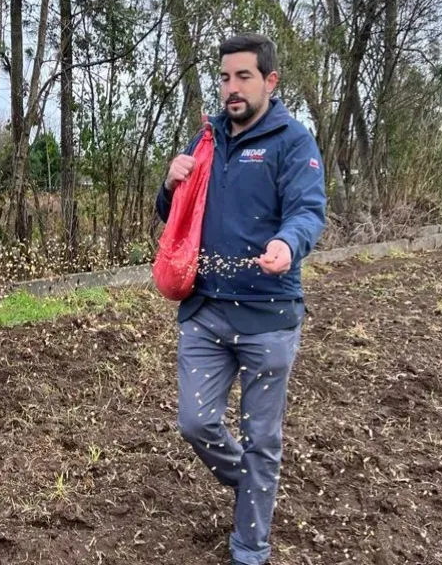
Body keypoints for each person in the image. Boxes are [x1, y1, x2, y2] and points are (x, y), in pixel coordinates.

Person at [156, 34, 326, 565]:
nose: (231, 88)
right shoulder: (206, 139)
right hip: (205, 309)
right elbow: (174, 216)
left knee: (261, 437)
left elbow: (308, 210)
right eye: (225, 77)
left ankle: (250, 548)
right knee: (196, 422)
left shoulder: (292, 142)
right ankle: (255, 488)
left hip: (268, 315)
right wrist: (169, 182)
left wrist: (286, 242)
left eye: (243, 77)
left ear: (270, 82)